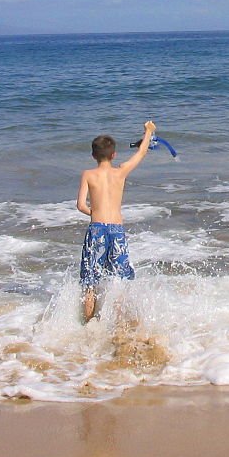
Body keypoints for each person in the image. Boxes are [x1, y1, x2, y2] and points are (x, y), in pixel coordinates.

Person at [76, 121, 156, 322]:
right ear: (114, 155)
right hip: (117, 230)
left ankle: (88, 325)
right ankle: (118, 323)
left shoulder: (88, 175)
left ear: (93, 155)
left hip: (96, 229)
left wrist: (95, 213)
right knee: (118, 280)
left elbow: (80, 205)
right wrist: (148, 132)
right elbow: (142, 153)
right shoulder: (120, 171)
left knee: (90, 282)